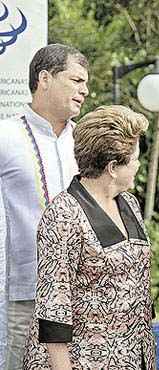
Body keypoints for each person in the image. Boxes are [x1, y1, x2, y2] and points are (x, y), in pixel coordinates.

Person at [23, 105, 156, 369]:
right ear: (112, 167)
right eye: (135, 158)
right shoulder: (63, 214)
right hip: (78, 359)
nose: (139, 164)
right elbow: (53, 306)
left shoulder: (129, 202)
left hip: (134, 354)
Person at [0, 43, 89, 369]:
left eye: (86, 83)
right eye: (77, 80)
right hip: (23, 294)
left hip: (80, 295)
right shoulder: (5, 136)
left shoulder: (85, 143)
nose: (85, 90)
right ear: (45, 78)